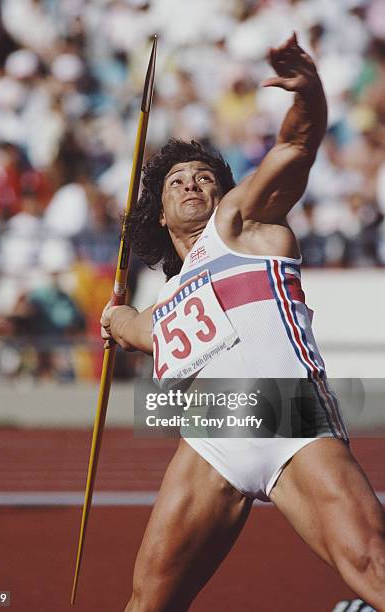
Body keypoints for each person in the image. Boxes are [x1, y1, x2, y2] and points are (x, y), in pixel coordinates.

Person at [101, 34, 385, 611]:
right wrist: (116, 317)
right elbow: (138, 330)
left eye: (204, 177)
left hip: (285, 410)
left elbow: (296, 147)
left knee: (371, 566)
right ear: (157, 211)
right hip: (213, 431)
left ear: (226, 193)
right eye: (176, 179)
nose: (191, 183)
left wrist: (309, 99)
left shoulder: (241, 225)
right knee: (147, 602)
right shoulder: (170, 297)